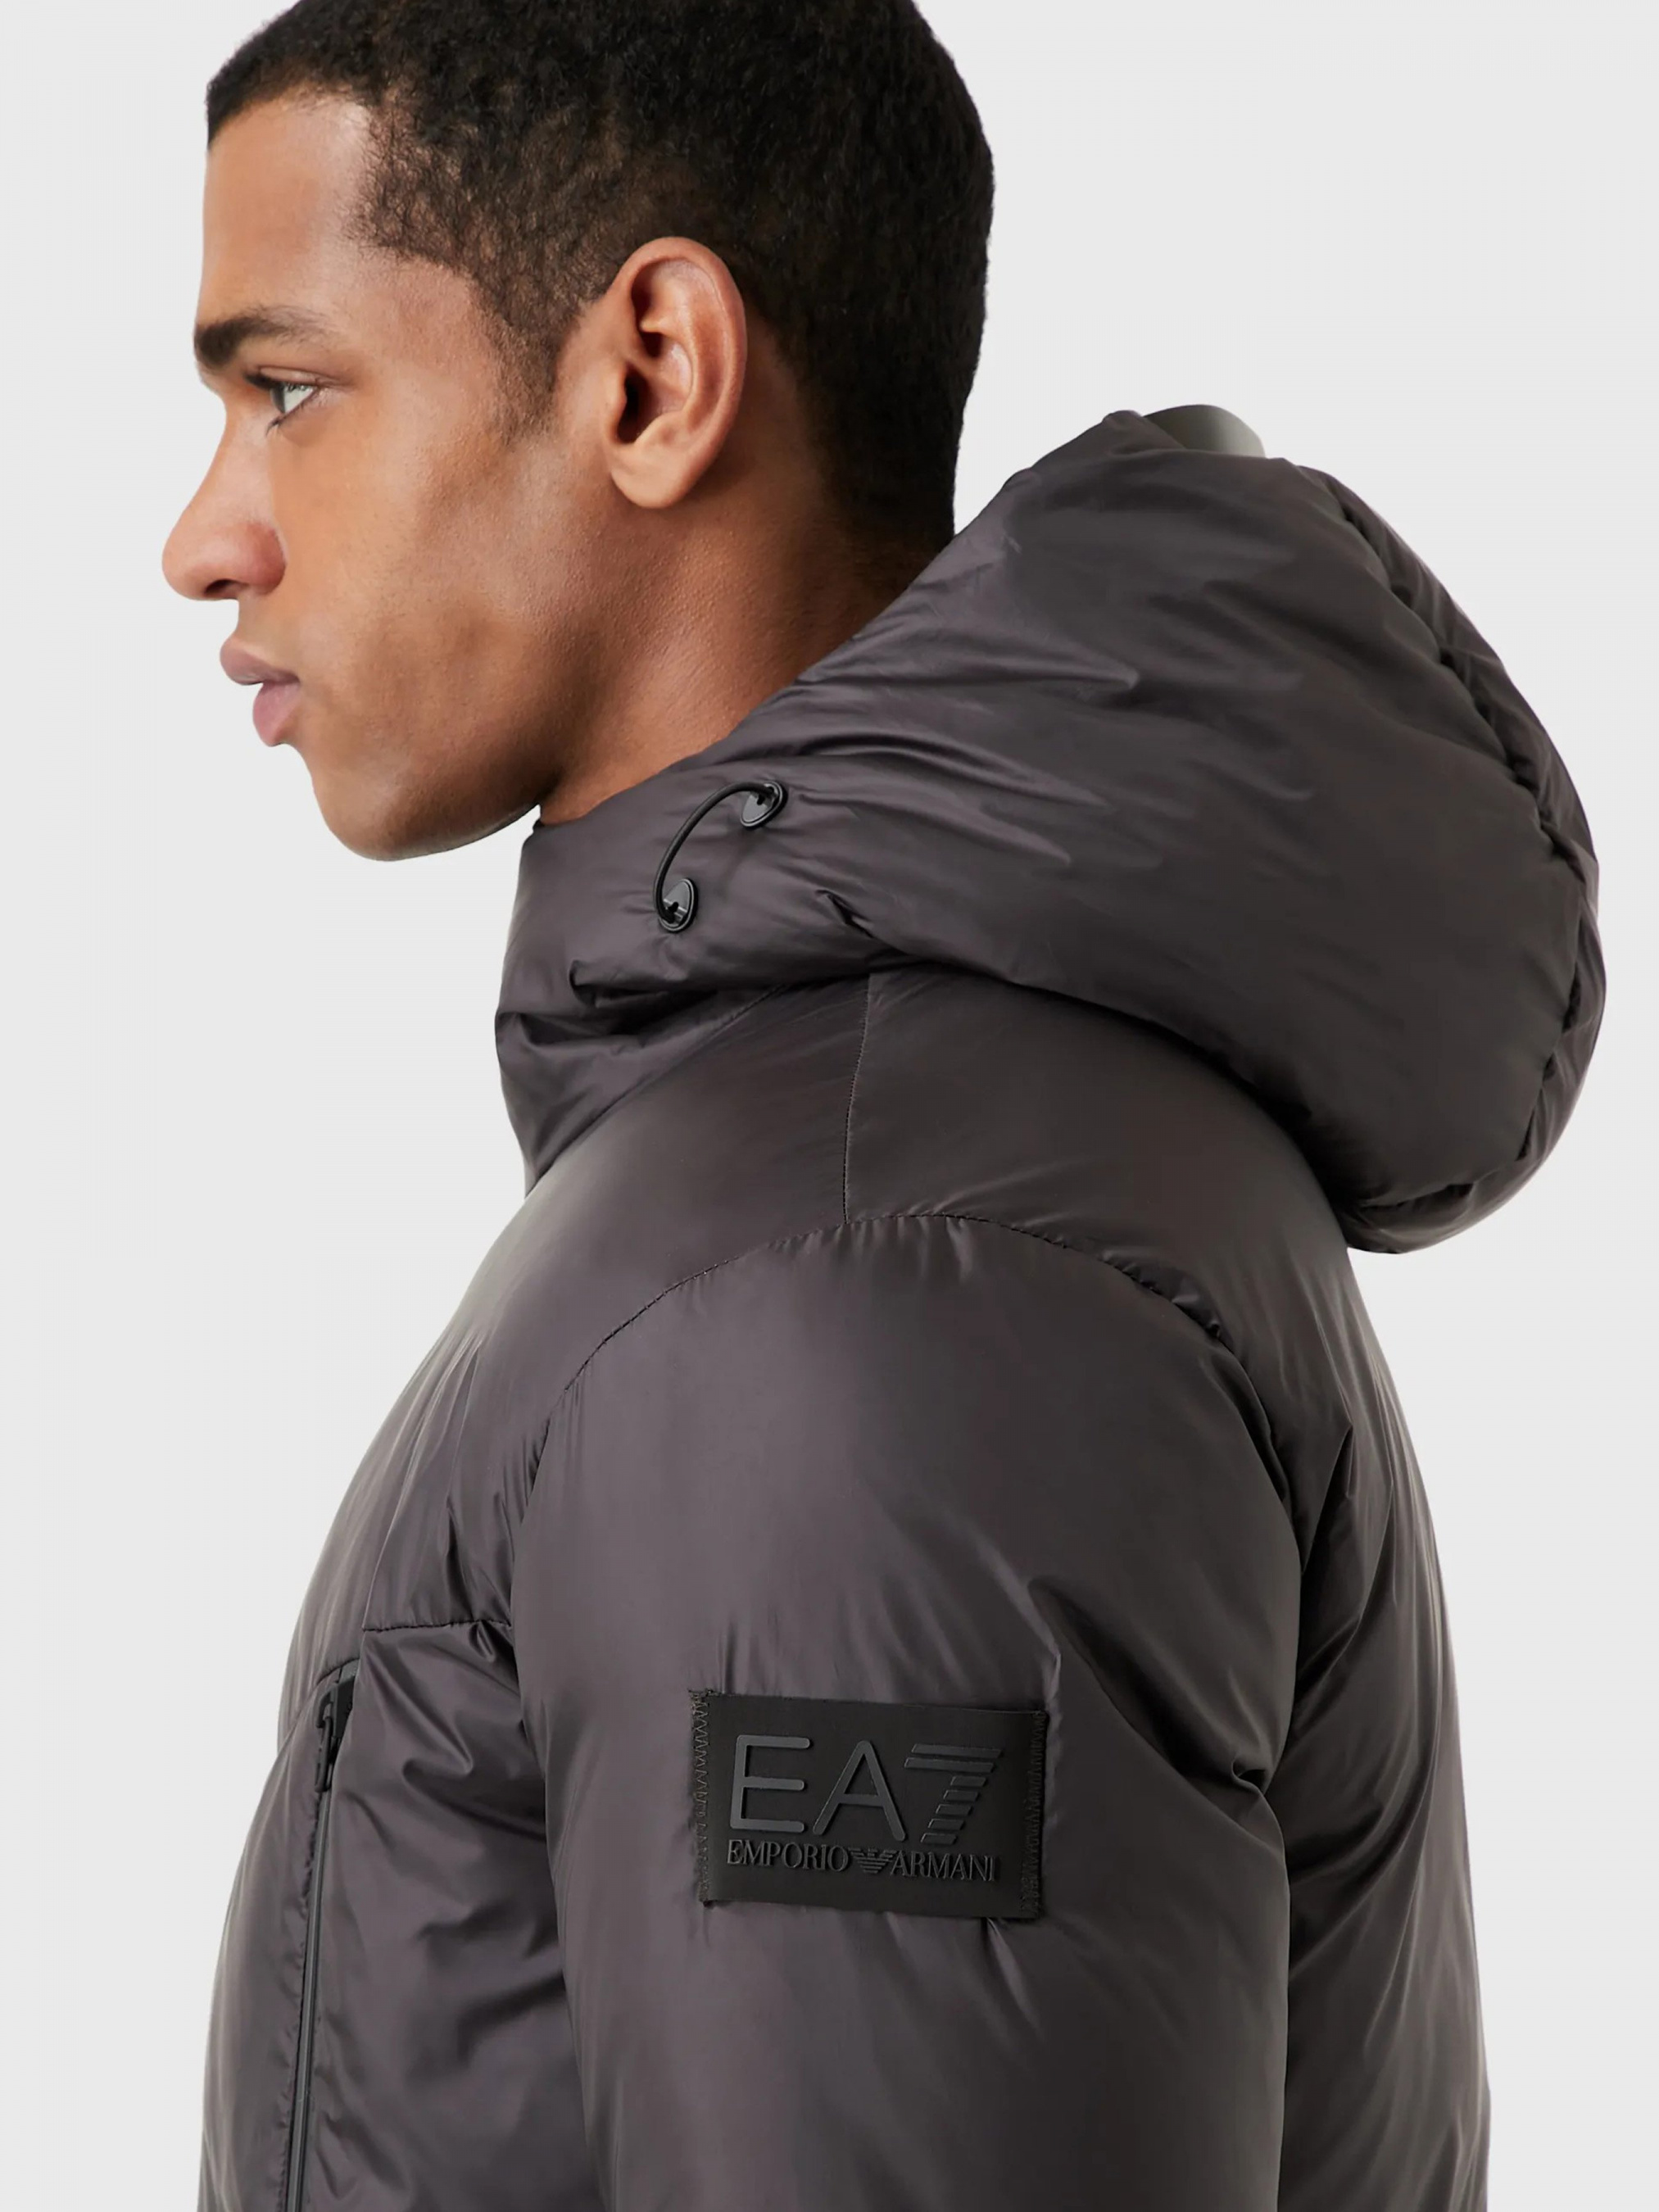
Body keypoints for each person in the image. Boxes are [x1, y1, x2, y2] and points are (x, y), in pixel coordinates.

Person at [164, 4, 1602, 2208]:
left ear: (652, 374)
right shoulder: (874, 1174)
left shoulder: (850, 1279)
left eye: (287, 389)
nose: (205, 538)